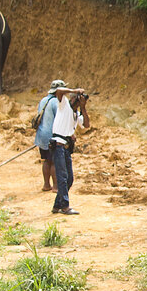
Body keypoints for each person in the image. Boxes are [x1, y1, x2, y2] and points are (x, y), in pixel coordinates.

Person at [48, 86, 90, 215]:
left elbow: (87, 125)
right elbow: (59, 91)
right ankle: (65, 206)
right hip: (58, 145)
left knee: (69, 178)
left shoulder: (76, 114)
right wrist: (74, 91)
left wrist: (83, 107)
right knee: (62, 177)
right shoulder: (64, 105)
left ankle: (57, 205)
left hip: (66, 147)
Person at [34, 79, 67, 192]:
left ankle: (46, 184)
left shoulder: (43, 100)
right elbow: (59, 120)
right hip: (51, 136)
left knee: (46, 160)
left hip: (41, 135)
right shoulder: (56, 103)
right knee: (54, 161)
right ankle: (56, 187)